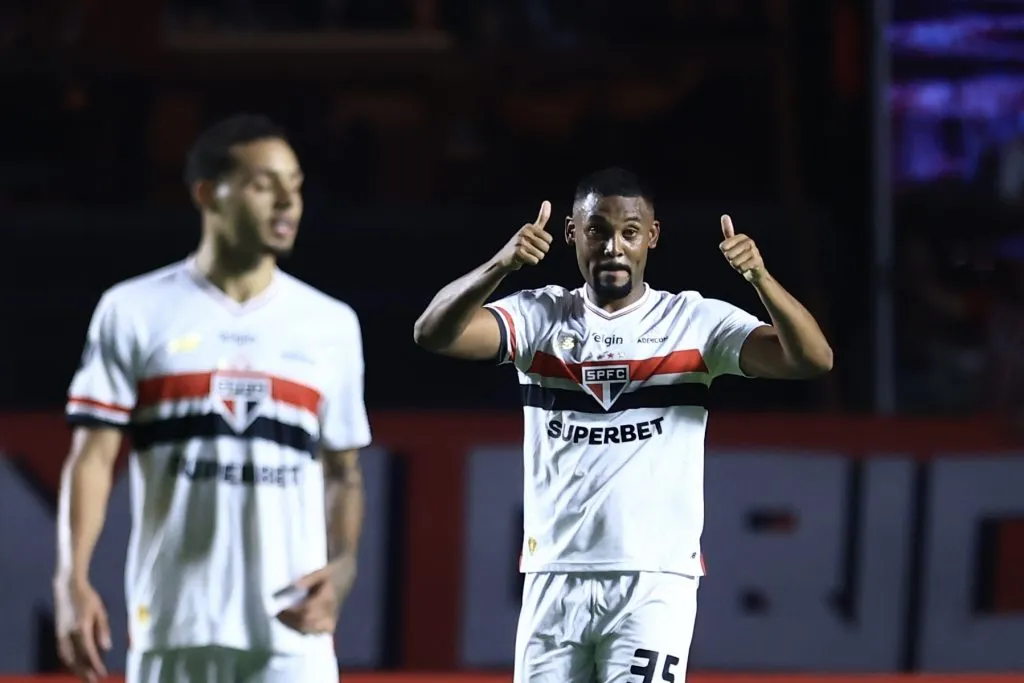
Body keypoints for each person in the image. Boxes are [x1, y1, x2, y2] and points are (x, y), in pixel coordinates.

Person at [413, 167, 833, 683]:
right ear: (572, 234)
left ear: (651, 237)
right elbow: (432, 334)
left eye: (629, 232)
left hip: (653, 584)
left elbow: (812, 359)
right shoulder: (540, 317)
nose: (613, 246)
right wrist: (502, 265)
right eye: (597, 230)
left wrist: (760, 280)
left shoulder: (694, 323)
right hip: (553, 578)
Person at [53, 114, 371, 683]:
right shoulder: (133, 310)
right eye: (262, 183)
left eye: (294, 184)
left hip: (293, 637)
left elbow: (343, 473)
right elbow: (94, 456)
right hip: (173, 628)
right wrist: (70, 577)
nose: (286, 201)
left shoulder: (330, 324)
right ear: (207, 194)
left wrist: (344, 566)